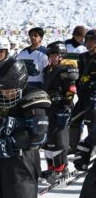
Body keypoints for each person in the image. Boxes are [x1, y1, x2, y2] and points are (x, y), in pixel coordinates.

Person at [0, 58, 51, 198]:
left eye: (8, 89)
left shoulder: (32, 97)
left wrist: (11, 142)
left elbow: (39, 135)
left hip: (22, 163)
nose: (4, 93)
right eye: (1, 89)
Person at [41, 41, 79, 184]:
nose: (53, 57)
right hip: (48, 108)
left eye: (56, 54)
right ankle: (51, 167)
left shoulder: (67, 69)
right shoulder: (47, 70)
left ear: (62, 55)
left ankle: (62, 169)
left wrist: (66, 106)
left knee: (59, 140)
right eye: (51, 54)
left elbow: (71, 89)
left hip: (61, 108)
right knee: (48, 140)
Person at [72, 30, 96, 198]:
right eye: (87, 40)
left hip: (95, 99)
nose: (89, 43)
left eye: (92, 40)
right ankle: (85, 147)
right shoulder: (82, 57)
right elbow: (79, 76)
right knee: (84, 124)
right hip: (84, 97)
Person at [64, 26, 88, 154]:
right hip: (66, 79)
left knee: (82, 109)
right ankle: (70, 141)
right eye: (78, 36)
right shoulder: (66, 44)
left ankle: (80, 140)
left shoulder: (86, 47)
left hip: (81, 80)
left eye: (82, 37)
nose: (80, 39)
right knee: (68, 106)